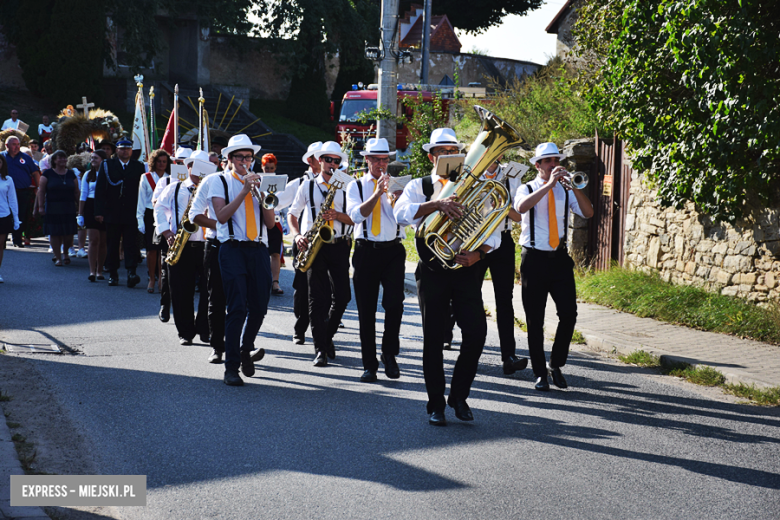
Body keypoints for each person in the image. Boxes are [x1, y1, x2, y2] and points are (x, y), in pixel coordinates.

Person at [394, 127, 500, 426]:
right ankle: (435, 403)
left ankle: (459, 395)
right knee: (433, 339)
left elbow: (495, 232)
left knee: (477, 334)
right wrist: (436, 204)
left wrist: (478, 255)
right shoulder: (421, 184)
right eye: (442, 152)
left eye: (453, 151)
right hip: (432, 271)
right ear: (432, 155)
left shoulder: (475, 185)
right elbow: (401, 214)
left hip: (466, 269)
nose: (449, 156)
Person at [515, 142, 593, 391]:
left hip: (559, 259)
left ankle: (555, 364)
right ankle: (539, 373)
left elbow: (588, 213)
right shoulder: (526, 187)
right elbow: (520, 208)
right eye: (548, 161)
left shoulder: (566, 190)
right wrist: (548, 185)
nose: (554, 165)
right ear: (537, 165)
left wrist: (575, 187)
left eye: (556, 160)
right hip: (534, 259)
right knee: (534, 319)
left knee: (569, 314)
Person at [209, 134, 276, 386]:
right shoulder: (220, 181)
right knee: (237, 307)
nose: (245, 162)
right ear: (229, 159)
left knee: (260, 306)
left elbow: (270, 223)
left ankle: (246, 348)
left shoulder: (260, 182)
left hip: (258, 249)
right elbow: (222, 217)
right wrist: (244, 191)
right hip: (232, 248)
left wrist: (261, 193)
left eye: (249, 157)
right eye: (240, 157)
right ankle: (231, 367)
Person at [288, 141, 354, 367]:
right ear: (319, 160)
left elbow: (357, 217)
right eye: (328, 159)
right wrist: (297, 236)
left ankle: (326, 338)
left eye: (337, 161)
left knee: (343, 296)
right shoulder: (307, 186)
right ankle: (320, 350)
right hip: (315, 245)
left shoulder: (349, 184)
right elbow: (292, 214)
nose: (332, 164)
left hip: (340, 243)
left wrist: (337, 215)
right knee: (317, 299)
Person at [346, 138, 405, 382]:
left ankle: (389, 354)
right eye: (377, 159)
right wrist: (377, 193)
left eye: (385, 159)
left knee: (394, 305)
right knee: (366, 310)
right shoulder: (356, 186)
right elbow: (355, 216)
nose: (382, 163)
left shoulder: (399, 184)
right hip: (366, 250)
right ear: (367, 160)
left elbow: (407, 220)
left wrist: (399, 198)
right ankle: (369, 364)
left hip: (393, 250)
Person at [478, 156, 529, 376]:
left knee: (504, 300)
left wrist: (502, 205)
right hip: (476, 240)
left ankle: (508, 356)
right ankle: (470, 346)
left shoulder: (512, 176)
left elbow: (519, 216)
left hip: (503, 241)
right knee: (469, 294)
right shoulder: (471, 172)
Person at [154, 150, 212, 345]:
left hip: (206, 244)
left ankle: (205, 329)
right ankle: (185, 332)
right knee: (180, 289)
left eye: (204, 169)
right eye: (195, 167)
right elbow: (159, 208)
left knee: (210, 289)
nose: (198, 172)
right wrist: (166, 232)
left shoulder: (213, 188)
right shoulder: (174, 188)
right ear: (188, 167)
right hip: (181, 243)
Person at [275, 141, 321, 345]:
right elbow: (277, 202)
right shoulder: (299, 183)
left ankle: (324, 332)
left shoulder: (337, 180)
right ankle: (300, 328)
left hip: (328, 240)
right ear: (311, 161)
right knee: (302, 287)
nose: (324, 161)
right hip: (304, 239)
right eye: (320, 157)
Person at [94, 138, 145, 287]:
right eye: (122, 149)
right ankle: (113, 273)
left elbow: (141, 191)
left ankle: (131, 271)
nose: (125, 151)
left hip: (131, 212)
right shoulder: (107, 165)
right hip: (112, 211)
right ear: (117, 150)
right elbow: (100, 189)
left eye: (128, 149)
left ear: (131, 151)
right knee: (112, 244)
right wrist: (99, 211)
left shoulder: (138, 166)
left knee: (131, 244)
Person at [155, 146, 189, 322]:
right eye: (178, 162)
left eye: (184, 162)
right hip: (170, 234)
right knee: (167, 271)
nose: (180, 165)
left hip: (191, 236)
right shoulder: (166, 181)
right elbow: (156, 202)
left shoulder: (196, 182)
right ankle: (165, 304)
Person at [37, 150, 80, 266]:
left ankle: (65, 253)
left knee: (68, 233)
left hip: (69, 207)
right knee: (55, 233)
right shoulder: (47, 174)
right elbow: (41, 192)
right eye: (59, 158)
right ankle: (57, 256)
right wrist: (41, 207)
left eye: (64, 157)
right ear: (54, 160)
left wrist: (80, 207)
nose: (62, 160)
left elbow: (76, 192)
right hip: (52, 207)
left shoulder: (71, 174)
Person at [137, 149, 171, 293]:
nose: (162, 164)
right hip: (150, 214)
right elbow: (141, 199)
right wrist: (140, 220)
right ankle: (151, 279)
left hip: (167, 215)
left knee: (164, 249)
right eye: (159, 161)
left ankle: (161, 280)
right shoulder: (146, 177)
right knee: (152, 249)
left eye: (164, 161)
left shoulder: (172, 177)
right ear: (154, 162)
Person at [2, 136, 40, 248]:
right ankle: (2, 242)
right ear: (7, 146)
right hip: (4, 193)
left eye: (18, 144)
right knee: (4, 216)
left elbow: (35, 172)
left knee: (20, 216)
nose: (16, 146)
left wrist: (38, 188)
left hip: (22, 192)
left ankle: (17, 240)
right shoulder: (2, 157)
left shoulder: (25, 158)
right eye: (14, 144)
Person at [78, 150, 108, 281]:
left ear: (103, 160)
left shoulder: (108, 173)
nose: (93, 160)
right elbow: (83, 194)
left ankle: (100, 270)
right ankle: (92, 271)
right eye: (92, 158)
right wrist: (80, 214)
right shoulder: (88, 174)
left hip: (105, 206)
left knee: (103, 241)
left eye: (96, 158)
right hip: (91, 205)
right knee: (93, 240)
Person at [260, 153, 285, 295]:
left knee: (275, 252)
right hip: (260, 221)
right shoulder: (257, 180)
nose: (269, 171)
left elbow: (284, 201)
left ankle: (275, 282)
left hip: (275, 220)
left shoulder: (281, 183)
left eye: (271, 168)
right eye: (266, 168)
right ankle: (262, 280)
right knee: (261, 252)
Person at [0, 154, 20, 283]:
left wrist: (16, 218)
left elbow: (12, 200)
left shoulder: (8, 180)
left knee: (0, 245)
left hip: (3, 215)